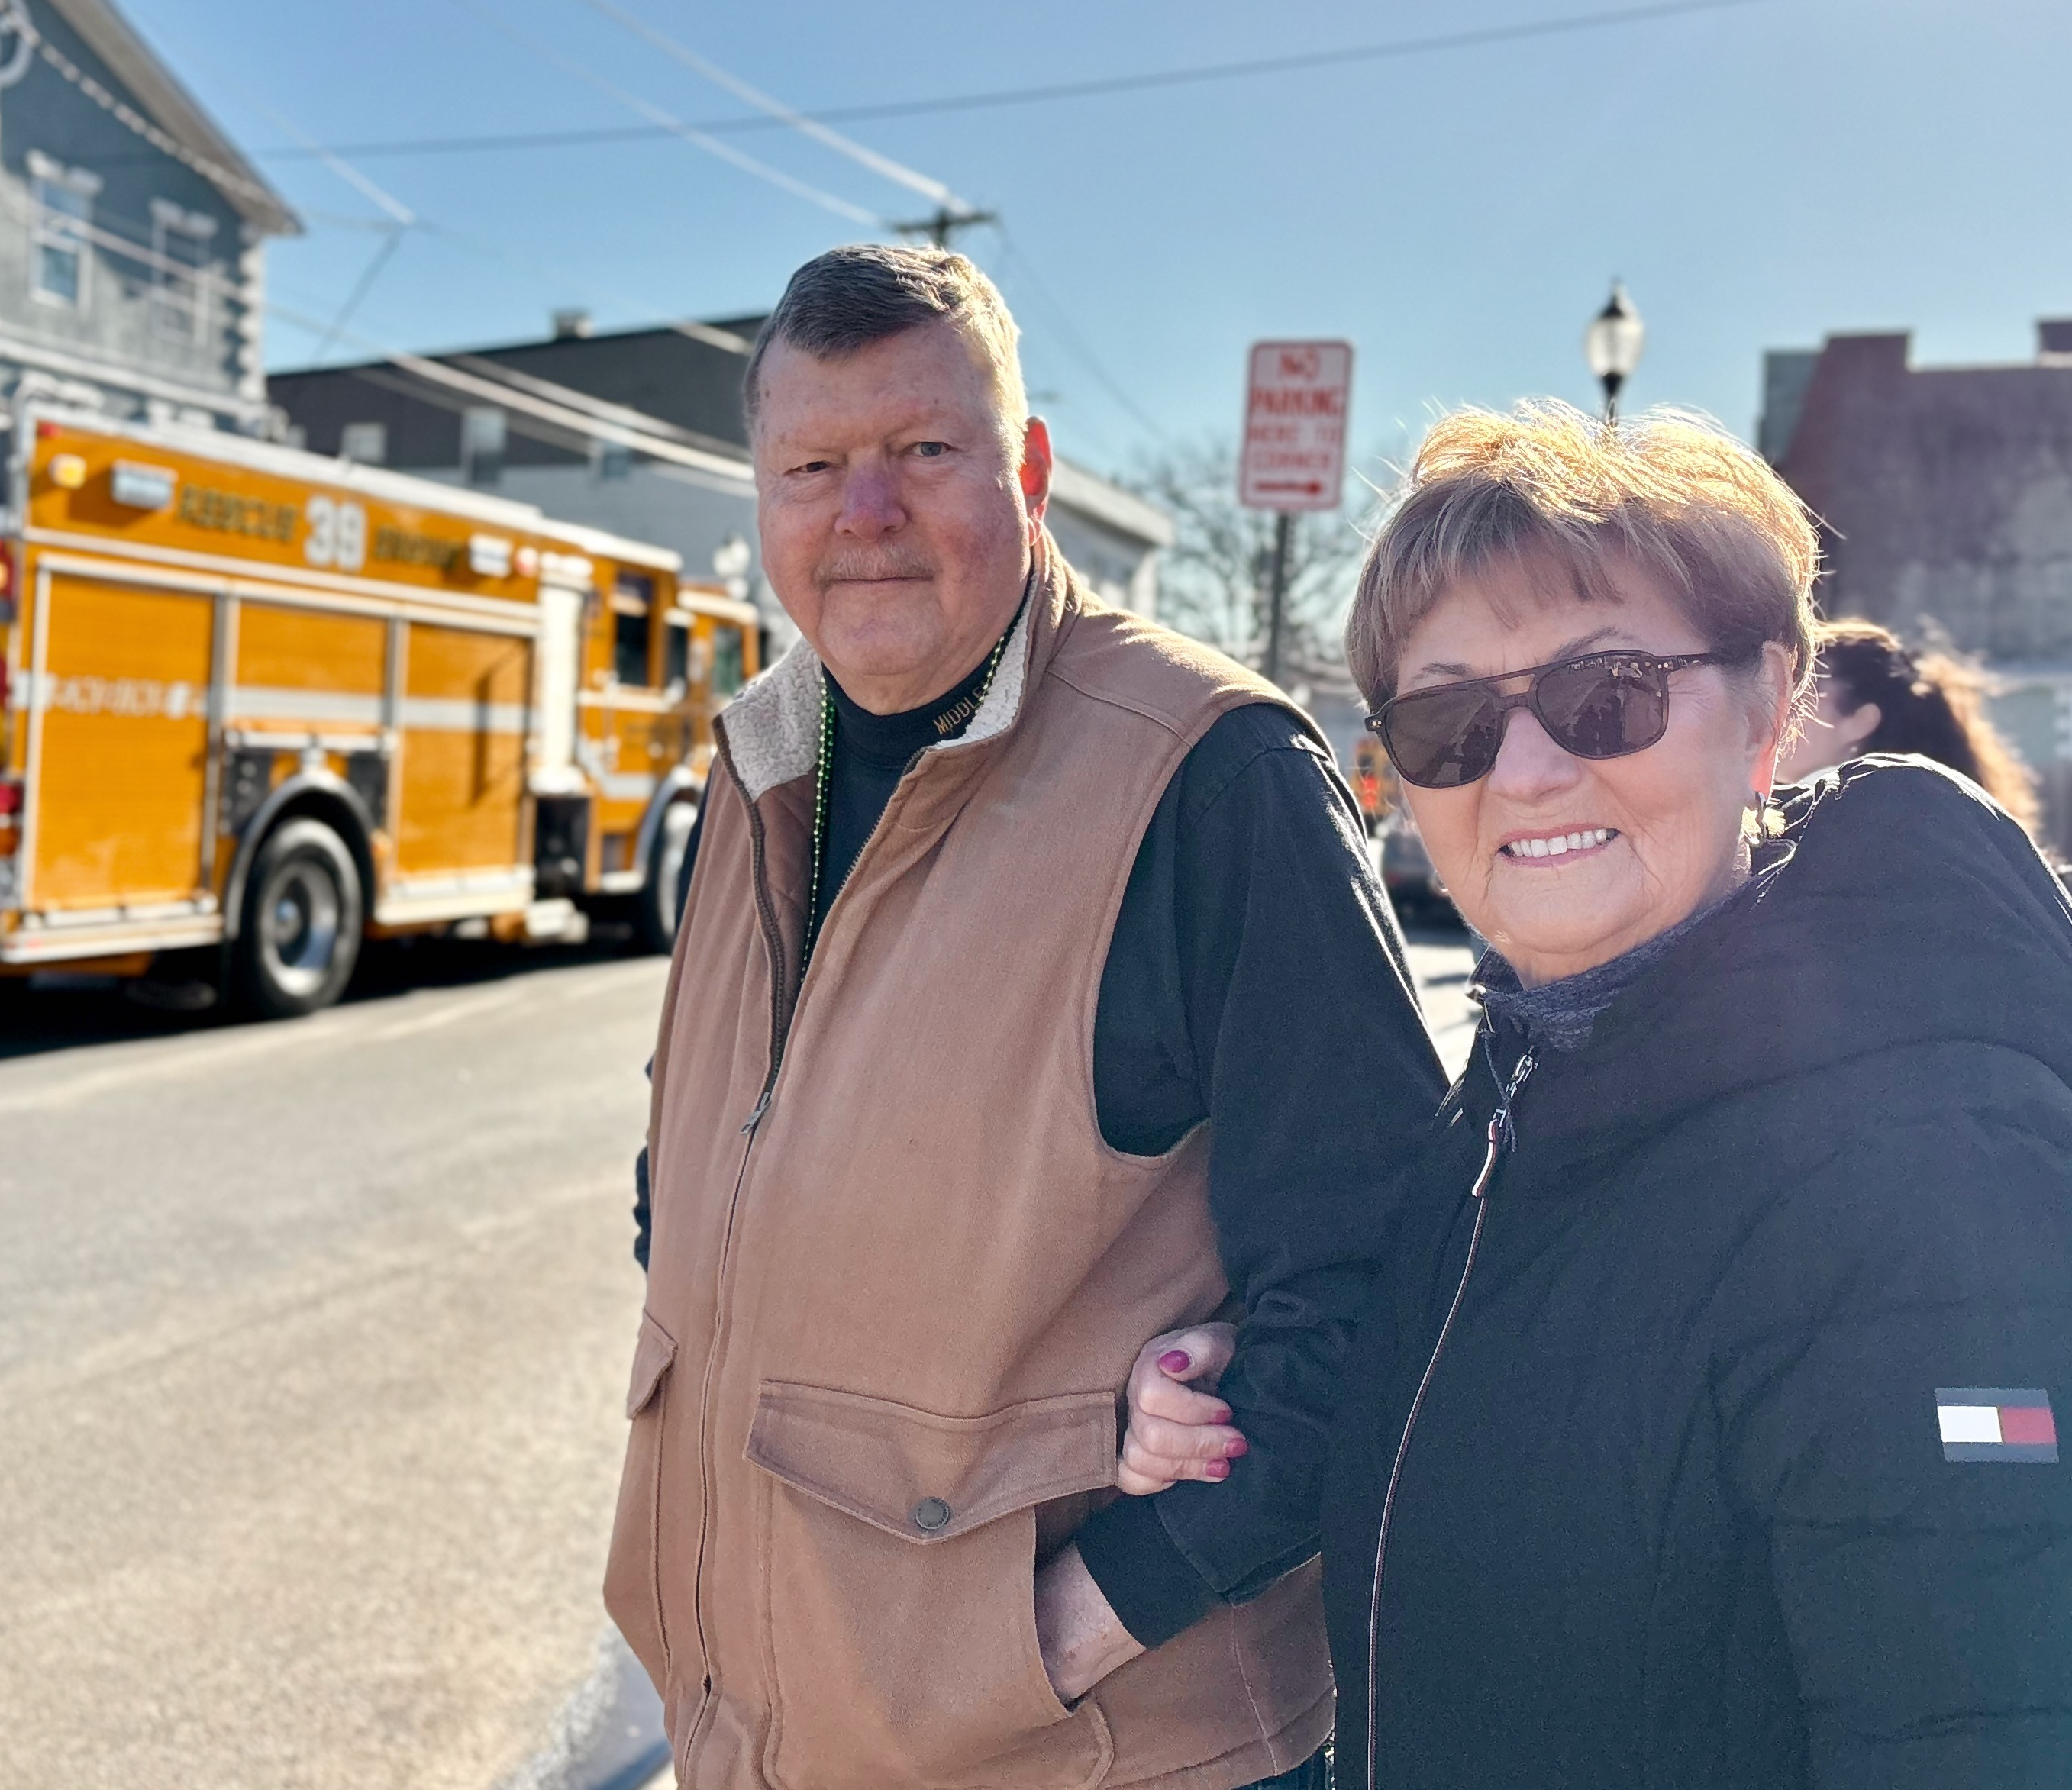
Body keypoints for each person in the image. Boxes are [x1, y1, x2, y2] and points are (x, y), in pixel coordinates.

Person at [1115, 402, 2072, 1788]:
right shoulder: (1511, 1118)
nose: (1526, 771)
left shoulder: (1948, 1196)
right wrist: (1232, 1393)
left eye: (1607, 694)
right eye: (1451, 721)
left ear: (1767, 706)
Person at [604, 244, 1446, 1790]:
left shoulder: (1211, 777)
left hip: (1089, 1750)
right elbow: (701, 1178)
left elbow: (1382, 1287)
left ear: (1032, 472)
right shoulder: (757, 763)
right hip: (766, 1734)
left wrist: (1045, 1637)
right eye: (810, 467)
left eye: (924, 450)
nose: (864, 512)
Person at [1779, 615, 2042, 834]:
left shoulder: (1855, 822)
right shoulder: (1939, 814)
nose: (1779, 704)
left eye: (1803, 690)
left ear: (1861, 721)